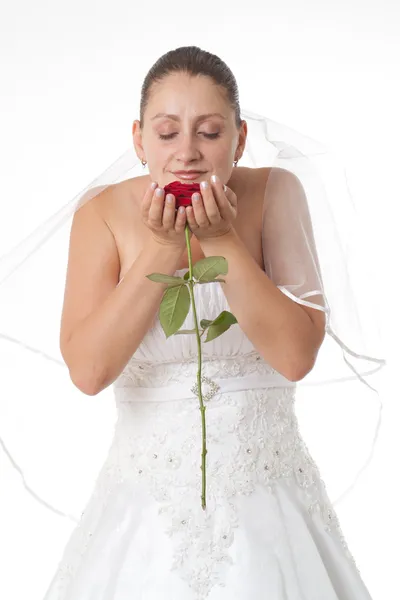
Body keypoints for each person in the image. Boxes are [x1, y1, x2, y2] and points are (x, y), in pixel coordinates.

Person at [0, 46, 385, 599]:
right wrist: (160, 249)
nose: (187, 153)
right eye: (166, 133)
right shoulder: (102, 213)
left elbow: (296, 356)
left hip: (268, 501)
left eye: (208, 132)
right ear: (138, 140)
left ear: (240, 138)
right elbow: (87, 371)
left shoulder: (276, 192)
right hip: (142, 507)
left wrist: (223, 240)